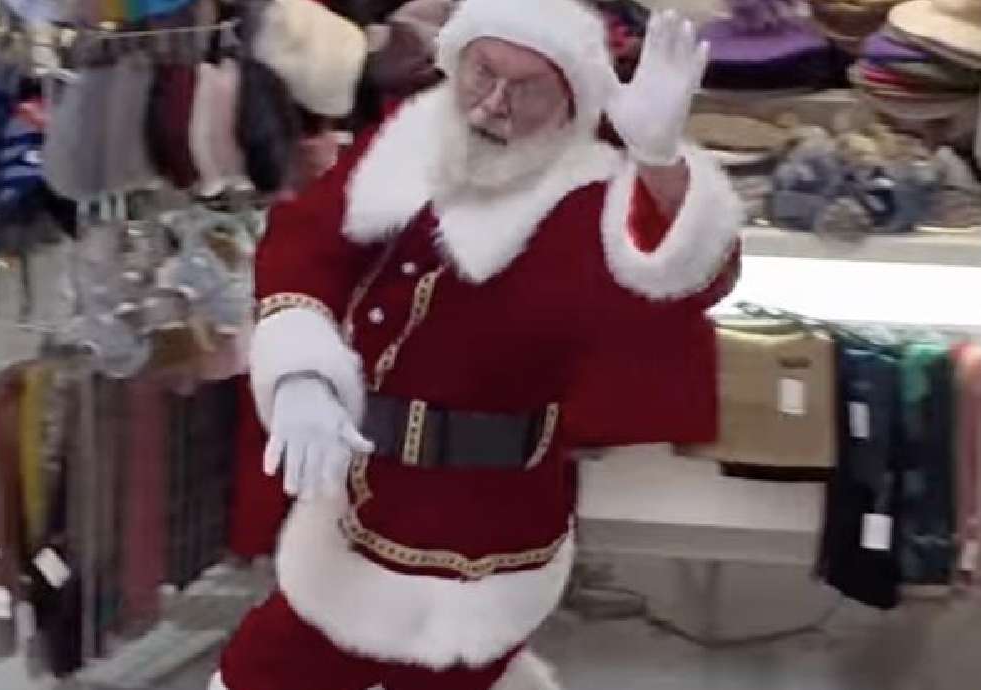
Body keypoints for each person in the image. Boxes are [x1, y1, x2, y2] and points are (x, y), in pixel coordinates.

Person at [213, 0, 743, 687]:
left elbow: (685, 280)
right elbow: (311, 237)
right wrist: (300, 363)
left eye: (526, 90)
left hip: (488, 529)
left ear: (569, 107)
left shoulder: (587, 196)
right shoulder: (406, 141)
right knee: (265, 670)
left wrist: (659, 163)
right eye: (483, 74)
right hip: (359, 502)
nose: (494, 104)